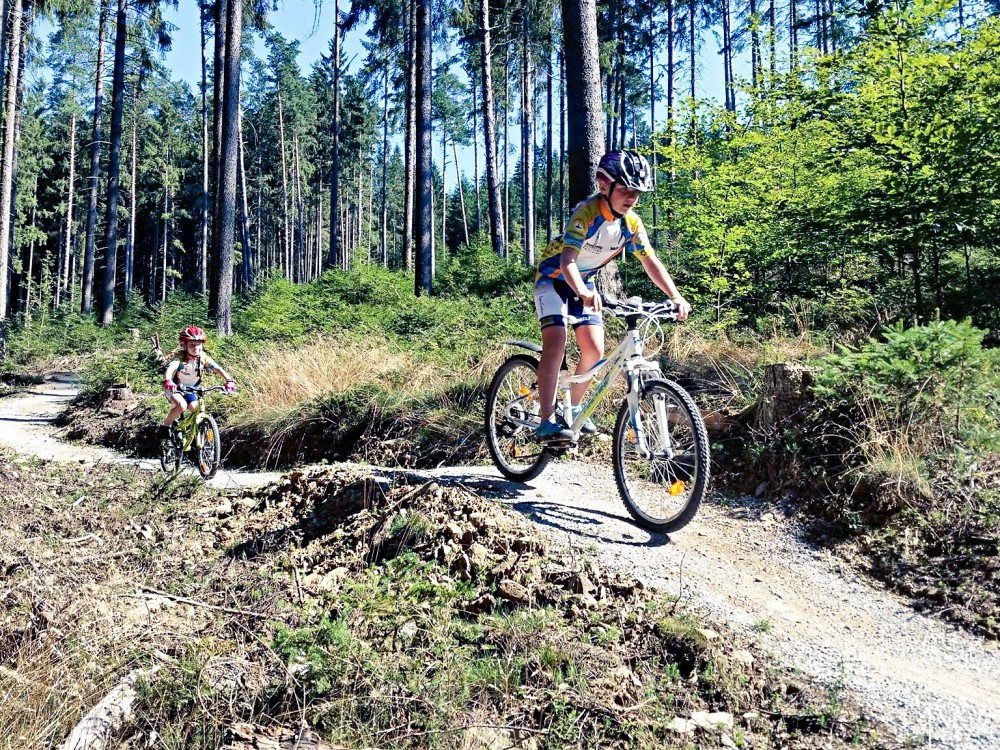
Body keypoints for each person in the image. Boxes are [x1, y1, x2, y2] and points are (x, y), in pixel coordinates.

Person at [532, 150, 692, 442]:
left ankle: (575, 409)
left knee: (594, 350)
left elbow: (650, 261)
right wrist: (581, 291)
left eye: (637, 193)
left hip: (586, 284)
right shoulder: (587, 213)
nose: (631, 198)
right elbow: (567, 261)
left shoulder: (631, 224)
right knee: (556, 341)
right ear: (605, 186)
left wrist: (676, 296)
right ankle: (546, 418)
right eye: (626, 190)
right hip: (553, 280)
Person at [159, 326, 237, 440]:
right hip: (175, 388)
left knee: (197, 410)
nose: (196, 348)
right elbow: (171, 368)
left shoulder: (203, 357)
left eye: (198, 344)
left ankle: (195, 437)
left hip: (193, 389)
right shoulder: (179, 357)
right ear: (184, 345)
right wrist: (168, 380)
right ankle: (166, 425)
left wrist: (229, 381)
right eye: (192, 345)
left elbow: (217, 368)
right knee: (182, 405)